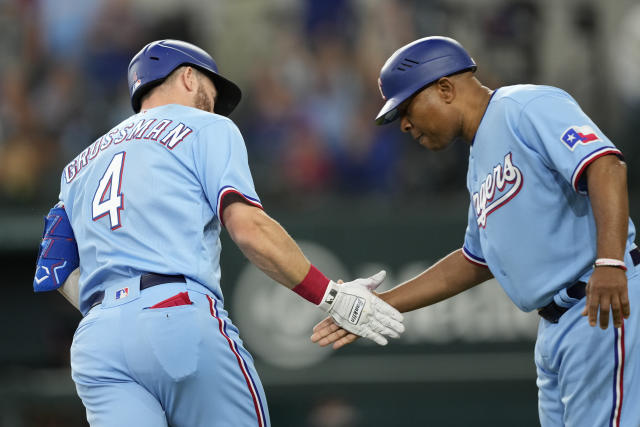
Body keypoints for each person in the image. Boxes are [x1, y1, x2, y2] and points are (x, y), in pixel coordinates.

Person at [32, 39, 404, 427]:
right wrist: (332, 296)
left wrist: (115, 312)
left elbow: (54, 268)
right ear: (189, 77)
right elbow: (249, 229)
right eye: (212, 90)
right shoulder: (207, 126)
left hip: (98, 340)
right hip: (173, 311)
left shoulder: (76, 167)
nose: (215, 103)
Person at [311, 36, 639, 427]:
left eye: (407, 107)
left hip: (599, 302)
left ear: (445, 88)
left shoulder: (525, 105)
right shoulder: (477, 162)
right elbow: (473, 260)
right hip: (557, 327)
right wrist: (381, 303)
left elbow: (605, 166)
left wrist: (609, 262)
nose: (404, 124)